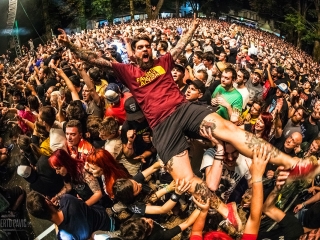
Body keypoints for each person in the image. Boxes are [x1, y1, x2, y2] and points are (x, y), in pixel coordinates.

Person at [58, 18, 317, 212]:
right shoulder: (127, 71)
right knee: (185, 179)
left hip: (183, 108)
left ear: (152, 49)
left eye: (147, 46)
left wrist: (192, 28)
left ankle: (293, 164)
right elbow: (96, 60)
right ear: (134, 53)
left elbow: (180, 46)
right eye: (139, 47)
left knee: (231, 131)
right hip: (161, 126)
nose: (145, 49)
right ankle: (227, 213)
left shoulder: (163, 63)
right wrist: (70, 44)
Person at [26, 191, 114, 240]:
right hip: (107, 220)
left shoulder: (64, 237)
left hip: (103, 235)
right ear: (48, 202)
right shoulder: (67, 199)